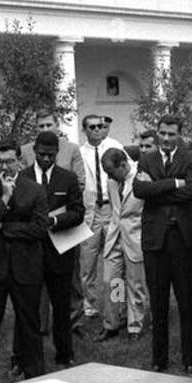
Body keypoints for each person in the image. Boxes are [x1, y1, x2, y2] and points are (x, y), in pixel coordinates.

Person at [134, 114, 192, 374]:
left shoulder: (189, 157)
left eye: (171, 134)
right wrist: (174, 183)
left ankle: (189, 359)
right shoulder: (146, 158)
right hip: (156, 241)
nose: (165, 138)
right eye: (162, 133)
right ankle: (158, 359)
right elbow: (140, 191)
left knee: (186, 301)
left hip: (183, 239)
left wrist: (157, 189)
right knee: (158, 301)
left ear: (179, 135)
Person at [0, 137, 50, 377]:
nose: (4, 167)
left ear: (19, 160)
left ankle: (35, 377)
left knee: (30, 326)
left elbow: (39, 228)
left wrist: (5, 228)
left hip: (26, 266)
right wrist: (5, 199)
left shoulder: (34, 189)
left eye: (9, 161)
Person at [22, 131, 85, 367]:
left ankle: (64, 353)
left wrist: (55, 221)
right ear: (34, 152)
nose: (46, 159)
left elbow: (78, 212)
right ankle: (28, 355)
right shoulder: (23, 177)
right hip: (30, 251)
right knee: (29, 306)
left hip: (59, 251)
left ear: (57, 153)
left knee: (61, 306)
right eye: (41, 154)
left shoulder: (67, 179)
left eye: (50, 155)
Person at [78, 114, 126, 328]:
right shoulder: (80, 153)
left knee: (115, 263)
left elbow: (127, 172)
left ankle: (119, 306)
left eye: (101, 126)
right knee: (87, 264)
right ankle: (91, 307)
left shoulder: (114, 146)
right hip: (91, 210)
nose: (97, 130)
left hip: (111, 208)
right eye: (92, 127)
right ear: (85, 130)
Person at [99, 147, 148, 342]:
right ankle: (113, 322)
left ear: (123, 165)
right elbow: (115, 209)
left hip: (135, 238)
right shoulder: (112, 181)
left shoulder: (142, 178)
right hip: (114, 238)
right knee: (112, 282)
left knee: (135, 284)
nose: (109, 176)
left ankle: (134, 326)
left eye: (111, 172)